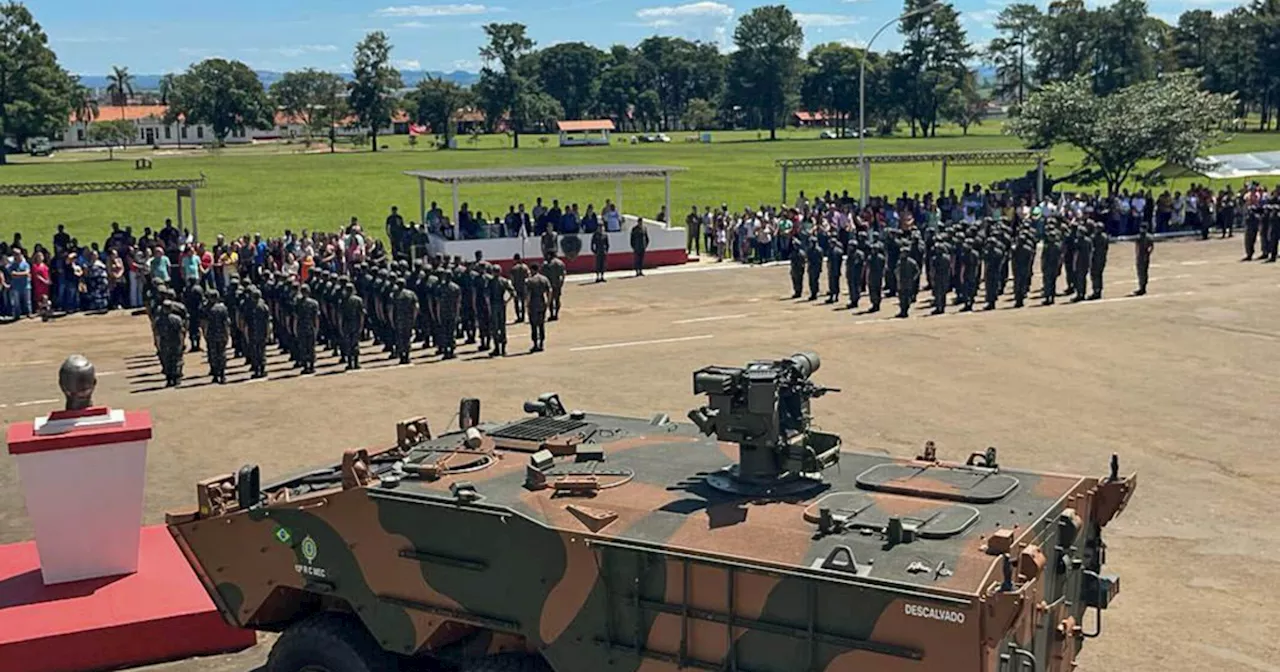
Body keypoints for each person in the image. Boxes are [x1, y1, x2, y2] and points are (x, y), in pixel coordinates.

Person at [203, 292, 230, 384]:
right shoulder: (223, 308)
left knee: (213, 354)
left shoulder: (207, 308)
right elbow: (226, 323)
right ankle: (222, 375)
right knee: (222, 354)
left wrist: (205, 334)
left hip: (211, 335)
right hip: (221, 334)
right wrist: (227, 334)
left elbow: (205, 323)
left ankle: (215, 375)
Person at [525, 263, 550, 352]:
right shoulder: (544, 279)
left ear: (533, 270)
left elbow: (528, 295)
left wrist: (527, 305)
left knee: (534, 326)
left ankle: (535, 344)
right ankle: (541, 344)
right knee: (541, 325)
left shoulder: (530, 281)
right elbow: (549, 290)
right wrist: (548, 302)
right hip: (542, 303)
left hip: (533, 304)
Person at [487, 266, 512, 357]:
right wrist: (506, 301)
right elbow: (512, 292)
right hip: (501, 305)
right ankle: (503, 349)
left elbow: (487, 295)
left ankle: (497, 348)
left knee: (495, 327)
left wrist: (489, 306)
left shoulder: (490, 282)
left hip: (494, 306)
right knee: (502, 327)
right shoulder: (504, 281)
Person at [6, 248, 31, 318]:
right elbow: (12, 274)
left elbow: (27, 272)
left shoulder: (25, 264)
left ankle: (28, 313)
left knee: (27, 302)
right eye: (16, 254)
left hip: (26, 286)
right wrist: (23, 274)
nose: (18, 256)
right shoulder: (11, 266)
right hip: (16, 287)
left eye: (19, 254)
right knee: (16, 303)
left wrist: (17, 274)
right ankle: (17, 315)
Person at [1134, 224, 1154, 296]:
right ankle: (1142, 287)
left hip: (1143, 257)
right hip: (1143, 257)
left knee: (1142, 272)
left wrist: (1146, 254)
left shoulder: (1142, 237)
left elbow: (1138, 248)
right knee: (1142, 272)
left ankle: (1142, 288)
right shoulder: (1143, 237)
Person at [544, 255, 566, 320]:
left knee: (550, 300)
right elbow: (563, 274)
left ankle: (551, 314)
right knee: (557, 300)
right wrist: (561, 283)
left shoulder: (548, 263)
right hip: (557, 284)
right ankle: (556, 314)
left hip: (550, 284)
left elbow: (544, 274)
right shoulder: (560, 263)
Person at [509, 254, 529, 323]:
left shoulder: (513, 268)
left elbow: (512, 279)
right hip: (524, 287)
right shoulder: (525, 267)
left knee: (517, 303)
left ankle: (518, 317)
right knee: (523, 303)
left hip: (516, 287)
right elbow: (528, 277)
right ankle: (523, 317)